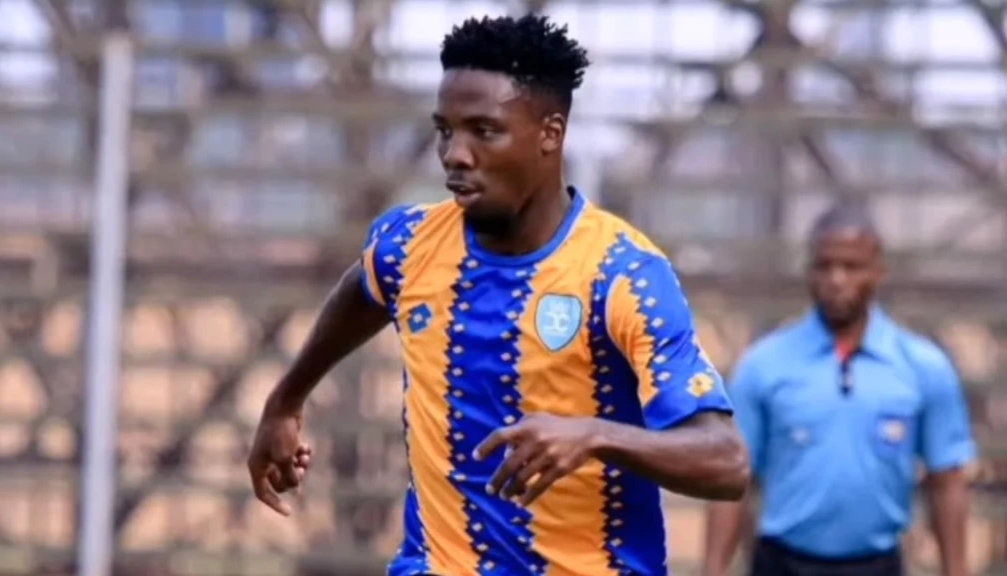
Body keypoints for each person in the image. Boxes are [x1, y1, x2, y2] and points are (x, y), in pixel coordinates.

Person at [247, 14, 750, 576]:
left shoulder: (622, 275)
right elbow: (362, 289)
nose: (455, 154)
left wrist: (596, 436)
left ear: (550, 134)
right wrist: (286, 399)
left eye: (484, 131)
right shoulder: (409, 245)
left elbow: (726, 462)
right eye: (445, 130)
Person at [703, 204, 976, 576]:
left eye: (851, 267)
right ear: (809, 271)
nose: (836, 279)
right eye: (824, 266)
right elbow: (733, 478)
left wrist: (956, 570)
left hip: (876, 564)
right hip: (783, 563)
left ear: (878, 272)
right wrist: (713, 568)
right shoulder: (764, 365)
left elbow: (947, 481)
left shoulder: (923, 367)